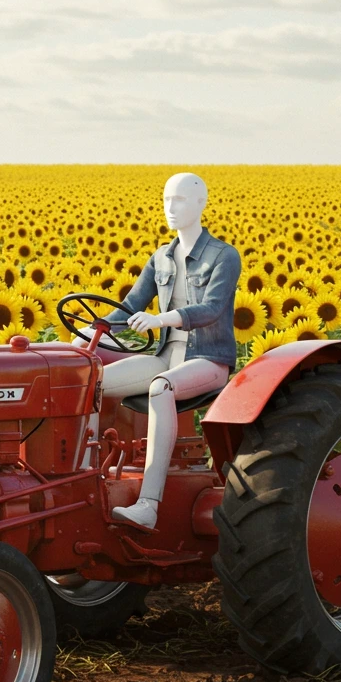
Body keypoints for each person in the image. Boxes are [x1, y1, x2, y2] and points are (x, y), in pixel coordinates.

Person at [82, 172, 241, 532]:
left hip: (208, 359)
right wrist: (90, 333)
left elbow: (212, 309)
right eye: (167, 200)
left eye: (181, 200)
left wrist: (161, 318)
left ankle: (148, 505)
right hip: (168, 354)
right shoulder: (162, 258)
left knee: (160, 387)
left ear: (200, 203)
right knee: (92, 380)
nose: (171, 208)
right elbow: (129, 306)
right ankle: (83, 481)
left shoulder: (223, 256)